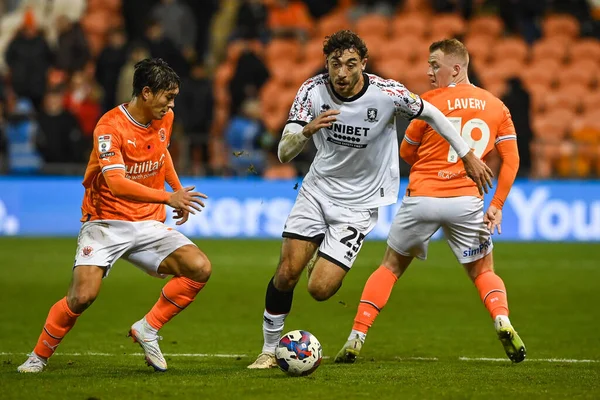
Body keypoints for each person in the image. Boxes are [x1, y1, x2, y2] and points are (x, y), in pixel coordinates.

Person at [247, 30, 493, 369]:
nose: (342, 73)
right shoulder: (311, 92)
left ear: (363, 64)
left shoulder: (387, 93)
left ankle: (320, 253)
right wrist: (306, 131)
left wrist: (466, 154)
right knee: (287, 272)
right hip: (317, 191)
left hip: (360, 205)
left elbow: (433, 114)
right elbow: (284, 153)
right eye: (335, 65)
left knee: (320, 290)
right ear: (327, 64)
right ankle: (268, 349)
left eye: (350, 64)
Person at [334, 39, 525, 364]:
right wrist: (497, 205)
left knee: (390, 267)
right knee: (483, 271)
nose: (429, 71)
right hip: (466, 201)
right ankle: (502, 320)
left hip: (421, 197)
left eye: (435, 65)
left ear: (456, 67)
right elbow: (512, 160)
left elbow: (406, 152)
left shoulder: (428, 103)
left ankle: (356, 336)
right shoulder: (496, 106)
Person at [17, 58, 211, 373]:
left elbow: (162, 154)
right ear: (147, 93)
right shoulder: (109, 127)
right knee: (83, 295)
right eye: (168, 97)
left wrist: (178, 194)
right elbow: (117, 184)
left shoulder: (166, 118)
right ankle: (37, 357)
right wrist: (167, 195)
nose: (172, 104)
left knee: (199, 268)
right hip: (105, 222)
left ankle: (148, 328)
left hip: (147, 221)